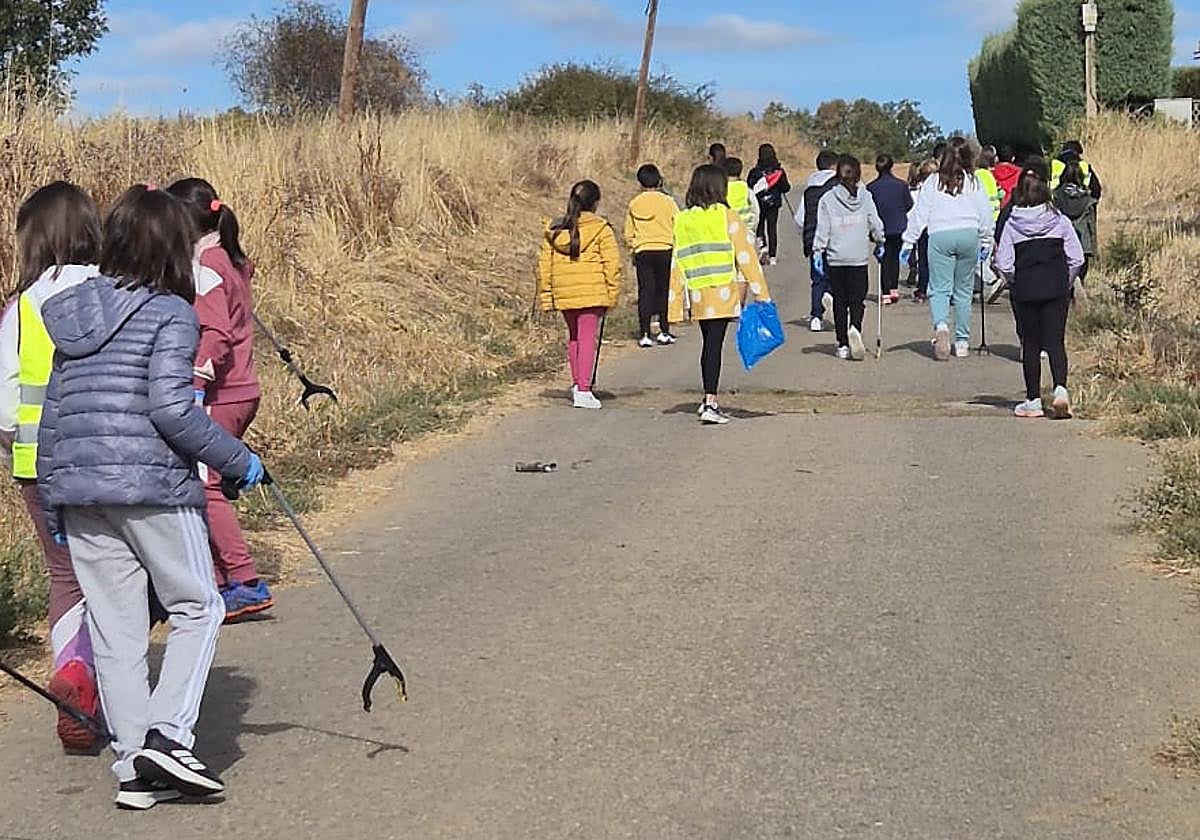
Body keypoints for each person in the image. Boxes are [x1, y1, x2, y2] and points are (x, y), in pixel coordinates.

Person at [36, 184, 265, 810]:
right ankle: (170, 736)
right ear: (173, 247)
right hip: (153, 487)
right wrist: (238, 459)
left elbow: (54, 414)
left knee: (116, 631)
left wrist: (55, 497)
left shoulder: (73, 312)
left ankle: (134, 766)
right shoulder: (171, 312)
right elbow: (172, 409)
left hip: (81, 493)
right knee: (199, 607)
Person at [0, 182, 101, 753]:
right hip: (107, 458)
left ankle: (74, 671)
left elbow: (5, 405)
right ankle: (120, 685)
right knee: (120, 571)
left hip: (38, 464)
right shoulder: (117, 291)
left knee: (65, 577)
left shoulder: (20, 309)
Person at [166, 178, 273, 623]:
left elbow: (216, 333)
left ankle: (244, 581)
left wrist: (194, 380)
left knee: (207, 485)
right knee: (201, 482)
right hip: (241, 389)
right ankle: (215, 577)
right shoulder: (227, 258)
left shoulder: (207, 267)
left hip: (220, 393)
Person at [668, 164, 770, 425]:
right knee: (714, 346)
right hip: (724, 290)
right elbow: (746, 257)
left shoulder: (683, 219)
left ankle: (709, 397)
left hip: (698, 293)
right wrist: (761, 293)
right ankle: (710, 401)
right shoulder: (727, 216)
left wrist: (674, 304)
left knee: (709, 345)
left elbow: (676, 263)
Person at [995, 167, 1084, 419]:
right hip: (1055, 288)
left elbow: (1004, 263)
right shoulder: (1060, 220)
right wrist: (1065, 281)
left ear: (1019, 194)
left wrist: (1014, 280)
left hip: (1026, 289)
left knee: (1031, 344)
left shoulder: (1012, 224)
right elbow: (1076, 258)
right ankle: (1060, 390)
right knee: (1055, 342)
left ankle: (1033, 400)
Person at [902, 140, 993, 360]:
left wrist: (908, 242)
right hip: (968, 234)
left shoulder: (933, 181)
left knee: (939, 288)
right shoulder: (973, 181)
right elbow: (985, 213)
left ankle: (941, 326)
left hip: (940, 235)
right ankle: (962, 342)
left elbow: (919, 214)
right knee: (963, 290)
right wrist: (986, 240)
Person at [537, 180, 621, 409]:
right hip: (592, 293)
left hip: (565, 292)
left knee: (574, 337)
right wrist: (612, 294)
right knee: (586, 340)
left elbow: (544, 266)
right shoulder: (602, 229)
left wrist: (547, 295)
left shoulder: (555, 230)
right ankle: (584, 389)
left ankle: (577, 383)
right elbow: (612, 265)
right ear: (595, 203)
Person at [814, 155, 885, 361]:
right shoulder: (866, 196)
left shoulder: (827, 199)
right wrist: (880, 241)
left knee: (839, 301)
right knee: (857, 299)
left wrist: (818, 250)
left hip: (836, 258)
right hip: (858, 257)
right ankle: (855, 327)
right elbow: (875, 222)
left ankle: (843, 343)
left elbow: (823, 228)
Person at [623, 164, 678, 348]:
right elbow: (677, 224)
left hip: (643, 250)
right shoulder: (668, 202)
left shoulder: (634, 203)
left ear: (640, 182)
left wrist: (633, 247)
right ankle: (664, 330)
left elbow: (628, 233)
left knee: (645, 291)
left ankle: (645, 333)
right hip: (664, 248)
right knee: (663, 290)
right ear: (659, 180)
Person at [795, 150, 838, 330]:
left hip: (814, 240)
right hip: (836, 240)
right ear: (834, 166)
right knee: (836, 277)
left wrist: (805, 234)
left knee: (817, 279)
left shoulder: (809, 191)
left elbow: (799, 219)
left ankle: (816, 317)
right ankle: (830, 296)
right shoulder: (838, 187)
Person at [866, 154, 912, 305]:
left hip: (880, 227)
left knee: (885, 258)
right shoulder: (901, 185)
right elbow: (909, 205)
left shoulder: (871, 188)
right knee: (895, 256)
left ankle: (886, 291)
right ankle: (893, 288)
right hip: (898, 226)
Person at [1052, 161, 1098, 291]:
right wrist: (1093, 248)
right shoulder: (1088, 200)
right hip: (1083, 241)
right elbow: (1092, 225)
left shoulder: (1056, 197)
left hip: (1062, 240)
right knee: (1080, 276)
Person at [747, 143, 791, 266]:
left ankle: (763, 248)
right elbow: (786, 187)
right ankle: (772, 257)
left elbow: (749, 186)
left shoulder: (755, 172)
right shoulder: (779, 171)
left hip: (758, 203)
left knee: (759, 226)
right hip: (774, 203)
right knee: (772, 228)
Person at [906, 159, 938, 302]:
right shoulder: (944, 188)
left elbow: (918, 213)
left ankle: (923, 289)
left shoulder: (921, 190)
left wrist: (910, 238)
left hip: (925, 228)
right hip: (939, 228)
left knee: (924, 261)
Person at [724, 157, 759, 234]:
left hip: (728, 230)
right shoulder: (746, 188)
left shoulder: (721, 190)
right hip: (746, 229)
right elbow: (756, 209)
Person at [994, 144, 1022, 209]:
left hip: (996, 209)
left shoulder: (991, 173)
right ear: (1013, 158)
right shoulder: (1020, 173)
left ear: (997, 158)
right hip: (1014, 208)